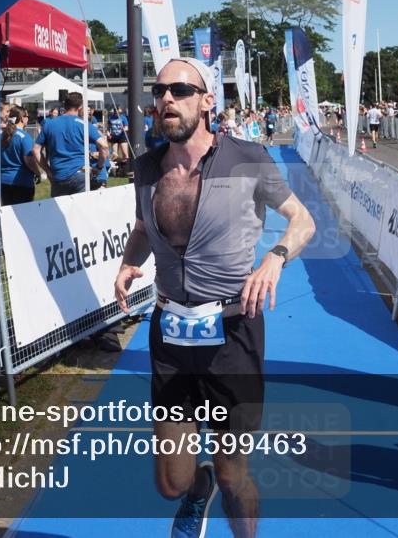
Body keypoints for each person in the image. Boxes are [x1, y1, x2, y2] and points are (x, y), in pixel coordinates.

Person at [114, 58, 315, 538]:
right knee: (171, 482)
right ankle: (194, 489)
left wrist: (275, 258)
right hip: (171, 333)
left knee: (233, 473)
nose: (166, 98)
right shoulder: (145, 167)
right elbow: (144, 226)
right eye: (160, 90)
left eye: (180, 89)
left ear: (207, 102)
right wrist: (128, 261)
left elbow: (302, 221)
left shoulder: (247, 158)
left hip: (231, 332)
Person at [32, 91, 109, 196]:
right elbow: (104, 146)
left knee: (59, 211)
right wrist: (99, 167)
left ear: (64, 105)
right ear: (80, 107)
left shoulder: (49, 124)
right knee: (80, 211)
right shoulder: (84, 124)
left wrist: (48, 171)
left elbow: (36, 150)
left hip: (58, 176)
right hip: (80, 175)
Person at [0, 106, 39, 205]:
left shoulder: (0, 135)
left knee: (6, 215)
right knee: (22, 216)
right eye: (27, 116)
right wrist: (38, 173)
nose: (28, 118)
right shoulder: (24, 137)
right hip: (21, 182)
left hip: (2, 181)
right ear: (22, 118)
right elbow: (29, 160)